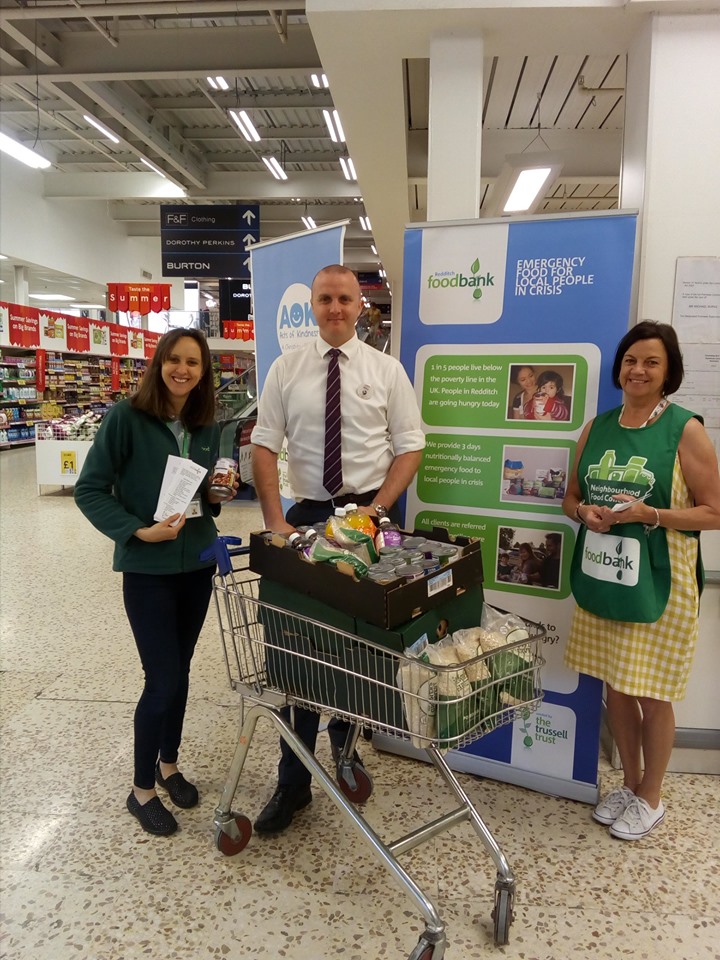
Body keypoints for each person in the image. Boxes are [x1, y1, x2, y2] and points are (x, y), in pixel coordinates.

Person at [251, 263, 425, 834]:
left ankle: (346, 749)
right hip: (304, 519)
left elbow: (409, 448)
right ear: (314, 306)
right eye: (325, 299)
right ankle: (292, 782)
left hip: (369, 520)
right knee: (297, 647)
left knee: (360, 648)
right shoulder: (286, 369)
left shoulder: (387, 370)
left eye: (345, 299)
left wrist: (376, 511)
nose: (335, 308)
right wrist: (275, 521)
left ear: (360, 306)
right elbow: (263, 445)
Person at [563, 321, 720, 841]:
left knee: (653, 692)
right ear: (619, 366)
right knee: (617, 685)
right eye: (632, 360)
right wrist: (584, 511)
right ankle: (629, 784)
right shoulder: (596, 426)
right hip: (606, 577)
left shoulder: (685, 428)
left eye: (652, 362)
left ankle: (652, 797)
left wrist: (651, 516)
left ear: (669, 370)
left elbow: (714, 512)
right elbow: (569, 497)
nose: (639, 370)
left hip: (661, 583)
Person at [74, 328, 235, 837]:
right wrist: (136, 531)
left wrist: (218, 496)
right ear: (159, 363)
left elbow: (205, 493)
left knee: (181, 671)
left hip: (197, 567)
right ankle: (141, 789)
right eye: (174, 360)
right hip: (148, 570)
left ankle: (169, 764)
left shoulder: (206, 422)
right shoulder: (126, 417)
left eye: (193, 362)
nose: (182, 370)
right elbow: (90, 490)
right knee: (162, 679)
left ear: (204, 371)